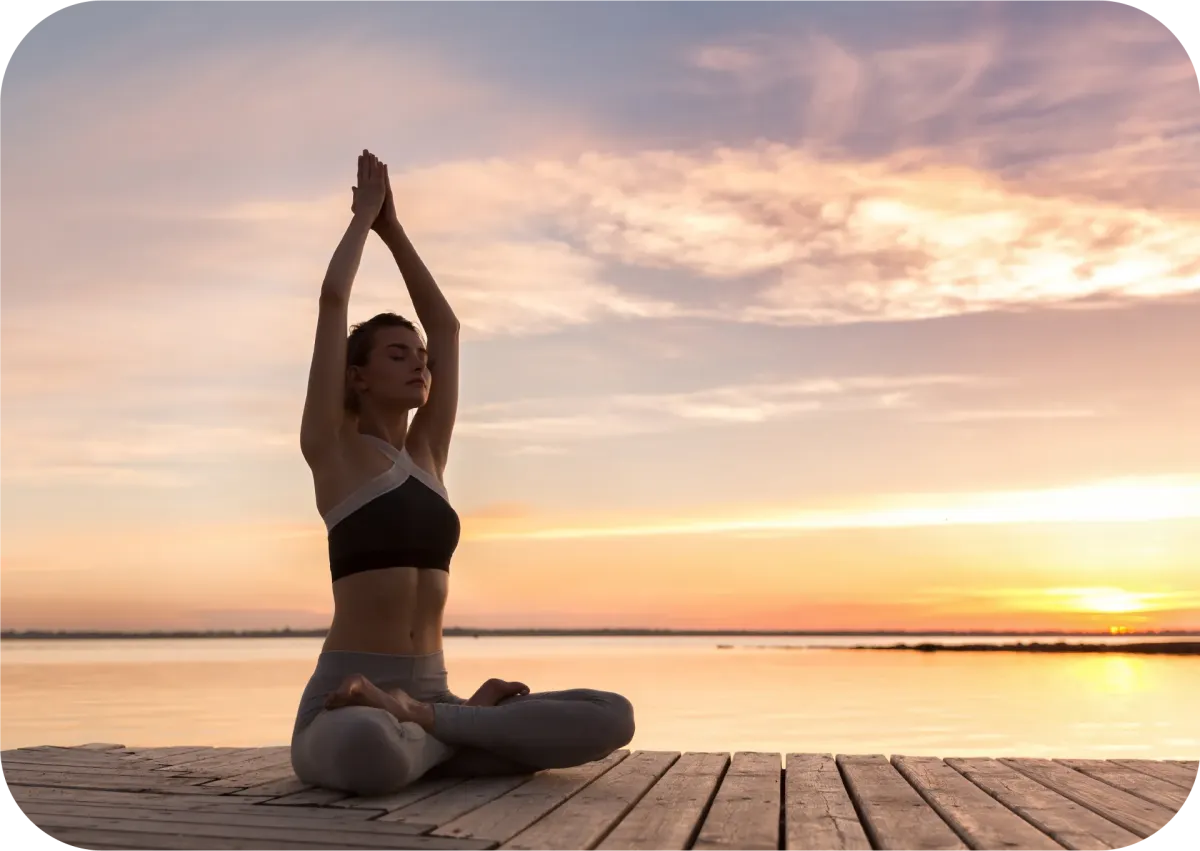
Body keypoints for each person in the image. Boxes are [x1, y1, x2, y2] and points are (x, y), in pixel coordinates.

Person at [289, 150, 635, 796]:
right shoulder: (332, 450)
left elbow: (446, 328)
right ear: (357, 376)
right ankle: (456, 736)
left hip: (429, 690)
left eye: (419, 358)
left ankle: (434, 723)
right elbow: (334, 298)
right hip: (347, 699)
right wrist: (365, 219)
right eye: (399, 354)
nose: (420, 364)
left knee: (613, 714)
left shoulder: (429, 453)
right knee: (370, 747)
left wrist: (398, 229)